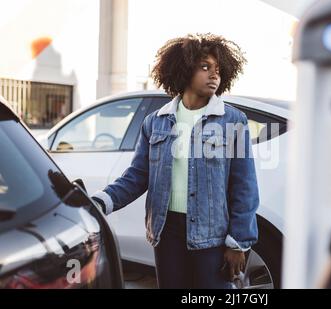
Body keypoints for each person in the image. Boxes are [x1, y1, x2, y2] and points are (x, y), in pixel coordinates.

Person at [92, 33, 259, 289]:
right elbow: (137, 176)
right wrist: (101, 202)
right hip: (166, 233)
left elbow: (244, 186)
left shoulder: (232, 121)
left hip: (211, 235)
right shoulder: (156, 122)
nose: (214, 75)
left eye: (218, 69)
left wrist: (239, 242)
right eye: (205, 67)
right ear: (183, 70)